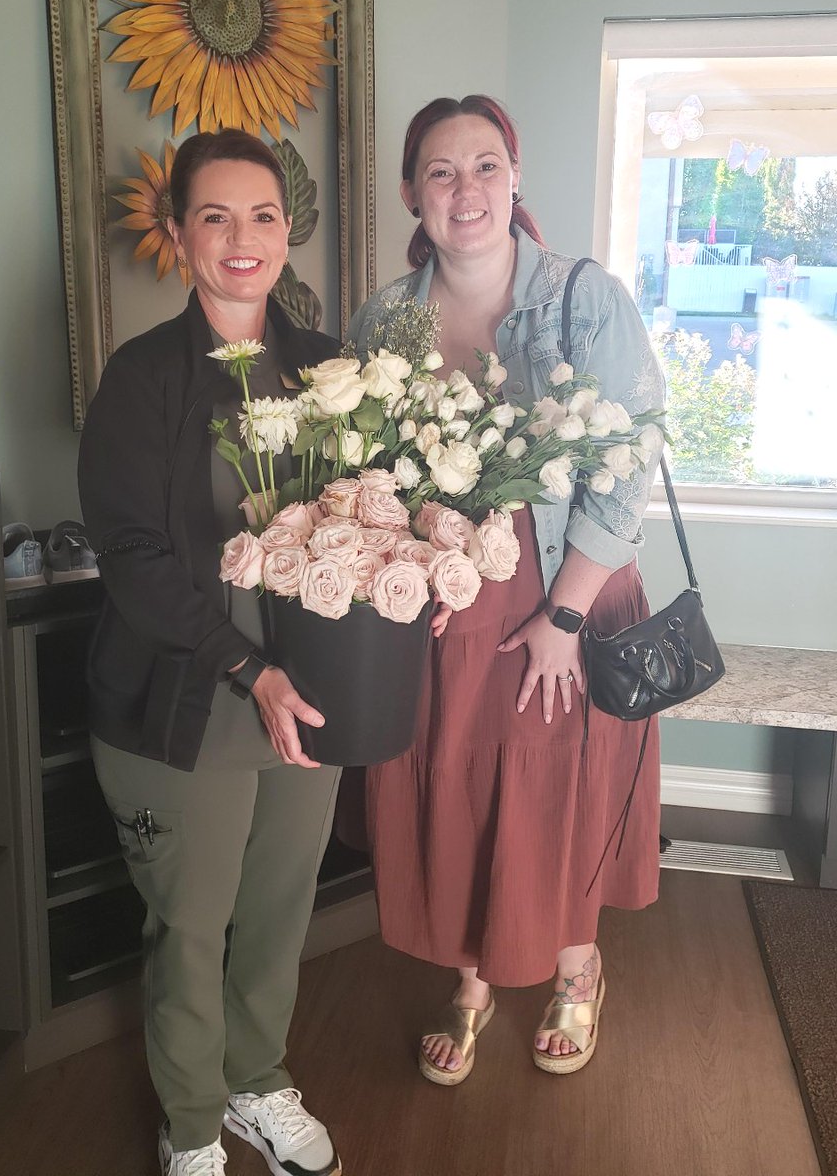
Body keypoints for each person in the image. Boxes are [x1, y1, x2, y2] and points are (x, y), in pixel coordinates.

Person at [347, 96, 665, 1083]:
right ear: (413, 193)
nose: (466, 189)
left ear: (514, 177)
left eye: (485, 165)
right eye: (441, 172)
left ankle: (576, 967)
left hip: (567, 589)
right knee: (465, 786)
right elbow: (370, 472)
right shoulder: (384, 320)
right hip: (448, 604)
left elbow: (629, 464)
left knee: (553, 785)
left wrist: (564, 615)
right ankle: (476, 975)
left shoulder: (583, 298)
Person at [79, 129, 343, 1176]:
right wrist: (248, 666)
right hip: (186, 700)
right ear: (182, 235)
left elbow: (365, 518)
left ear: (287, 231)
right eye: (217, 216)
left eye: (263, 215)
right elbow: (133, 558)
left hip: (307, 699)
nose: (243, 238)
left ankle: (256, 1080)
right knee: (191, 929)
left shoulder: (329, 371)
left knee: (278, 912)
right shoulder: (143, 376)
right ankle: (191, 1126)